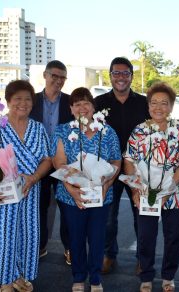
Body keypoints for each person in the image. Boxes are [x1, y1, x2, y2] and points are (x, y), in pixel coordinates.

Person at [0, 80, 52, 292]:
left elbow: (47, 159)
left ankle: (20, 275)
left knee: (27, 236)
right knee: (5, 236)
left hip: (29, 190)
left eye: (28, 99)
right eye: (17, 98)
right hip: (2, 194)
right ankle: (6, 281)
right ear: (8, 101)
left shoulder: (37, 128)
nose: (23, 103)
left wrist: (34, 177)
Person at [124, 82, 179, 292]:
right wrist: (136, 189)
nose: (158, 107)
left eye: (164, 103)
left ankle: (168, 277)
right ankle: (146, 276)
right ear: (148, 106)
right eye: (154, 103)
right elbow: (129, 159)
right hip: (145, 195)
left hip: (175, 195)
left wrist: (168, 188)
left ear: (171, 106)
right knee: (146, 237)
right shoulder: (139, 131)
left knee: (173, 237)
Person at [51, 87, 121, 292]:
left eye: (86, 103)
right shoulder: (63, 130)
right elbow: (59, 163)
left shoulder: (107, 131)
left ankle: (96, 278)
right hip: (71, 195)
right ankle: (79, 278)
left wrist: (107, 184)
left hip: (101, 195)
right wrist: (72, 190)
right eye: (77, 104)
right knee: (76, 237)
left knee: (98, 238)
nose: (82, 108)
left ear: (93, 107)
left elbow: (116, 159)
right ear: (71, 108)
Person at [94, 57, 150, 274]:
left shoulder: (144, 102)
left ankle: (142, 258)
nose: (120, 77)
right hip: (109, 167)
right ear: (110, 75)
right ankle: (109, 255)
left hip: (139, 169)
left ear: (131, 76)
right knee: (108, 217)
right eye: (116, 73)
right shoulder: (98, 103)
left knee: (141, 215)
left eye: (125, 73)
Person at [30, 60, 74, 264]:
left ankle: (69, 248)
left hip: (63, 162)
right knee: (39, 206)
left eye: (62, 77)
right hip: (37, 163)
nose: (58, 80)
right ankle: (40, 246)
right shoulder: (31, 100)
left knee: (67, 206)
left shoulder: (69, 102)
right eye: (54, 76)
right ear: (45, 76)